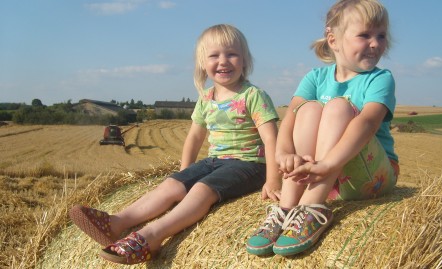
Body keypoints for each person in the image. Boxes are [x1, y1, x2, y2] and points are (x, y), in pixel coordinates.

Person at [69, 24, 282, 265]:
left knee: (202, 190)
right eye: (214, 55)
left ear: (245, 60)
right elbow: (194, 137)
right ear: (203, 63)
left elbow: (271, 138)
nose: (223, 61)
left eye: (232, 54)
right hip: (215, 161)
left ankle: (151, 236)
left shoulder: (253, 96)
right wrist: (184, 174)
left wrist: (273, 179)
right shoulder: (206, 98)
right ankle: (116, 222)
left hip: (250, 164)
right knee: (171, 185)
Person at [246, 0, 399, 257]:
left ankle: (310, 206)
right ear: (333, 39)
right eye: (364, 35)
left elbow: (367, 122)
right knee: (307, 109)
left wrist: (328, 164)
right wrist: (283, 152)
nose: (375, 43)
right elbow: (290, 118)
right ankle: (285, 209)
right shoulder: (315, 78)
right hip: (328, 180)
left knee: (339, 107)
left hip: (371, 178)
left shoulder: (380, 79)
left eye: (381, 35)